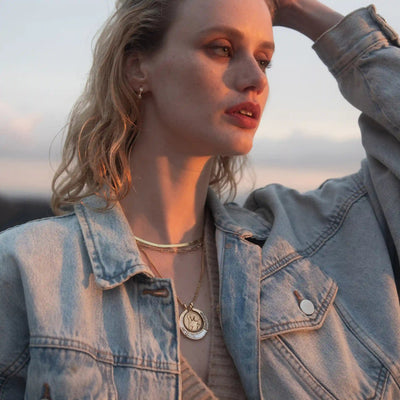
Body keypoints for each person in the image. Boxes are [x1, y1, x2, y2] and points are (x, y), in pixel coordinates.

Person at [0, 0, 399, 398]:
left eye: (264, 60)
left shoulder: (311, 241)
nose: (255, 80)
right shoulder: (30, 270)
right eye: (222, 48)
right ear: (138, 68)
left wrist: (299, 10)